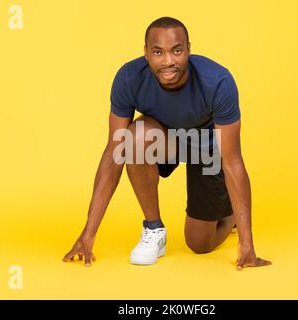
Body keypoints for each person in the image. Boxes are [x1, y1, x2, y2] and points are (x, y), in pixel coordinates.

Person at [63, 16, 271, 270]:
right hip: (164, 140)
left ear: (188, 51)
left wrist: (247, 246)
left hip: (205, 150)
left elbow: (232, 161)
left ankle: (228, 217)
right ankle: (154, 230)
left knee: (199, 243)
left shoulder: (218, 82)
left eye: (177, 51)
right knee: (134, 136)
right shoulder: (129, 78)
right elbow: (113, 155)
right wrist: (88, 234)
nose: (168, 61)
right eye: (158, 52)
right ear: (146, 53)